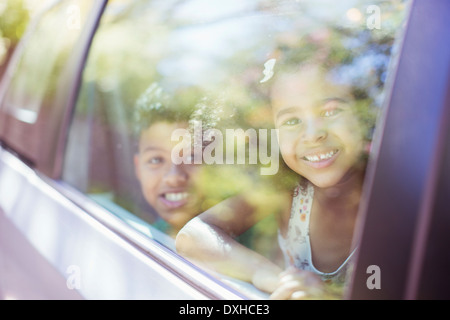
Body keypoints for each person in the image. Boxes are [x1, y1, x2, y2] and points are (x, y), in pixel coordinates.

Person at [175, 60, 375, 299]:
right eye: (291, 121)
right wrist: (271, 277)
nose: (313, 134)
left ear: (363, 116)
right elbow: (193, 236)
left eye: (330, 111)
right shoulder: (288, 189)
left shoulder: (399, 194)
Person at [133, 82, 206, 236]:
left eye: (191, 157)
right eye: (156, 160)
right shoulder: (154, 234)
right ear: (138, 168)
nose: (173, 177)